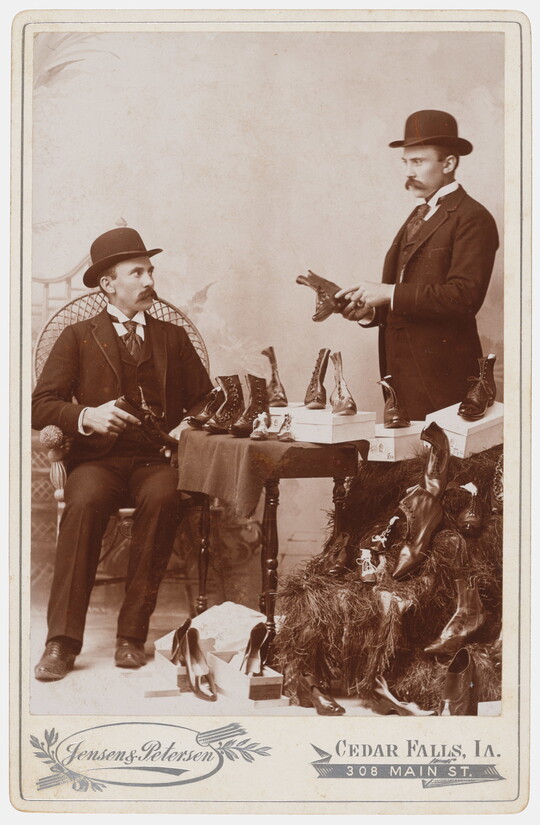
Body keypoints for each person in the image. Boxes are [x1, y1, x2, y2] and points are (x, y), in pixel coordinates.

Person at [32, 227, 213, 680]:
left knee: (164, 498)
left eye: (150, 270)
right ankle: (62, 641)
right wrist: (86, 414)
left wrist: (186, 427)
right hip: (97, 461)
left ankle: (132, 635)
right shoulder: (78, 337)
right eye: (138, 272)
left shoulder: (172, 338)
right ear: (108, 284)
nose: (149, 279)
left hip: (157, 460)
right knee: (85, 501)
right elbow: (41, 405)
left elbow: (207, 400)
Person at [336, 110, 499, 420]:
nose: (409, 171)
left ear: (448, 164)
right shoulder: (420, 214)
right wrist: (371, 311)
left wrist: (388, 293)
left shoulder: (472, 217)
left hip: (443, 381)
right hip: (401, 380)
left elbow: (464, 297)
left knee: (440, 467)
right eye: (406, 163)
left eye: (419, 162)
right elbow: (407, 289)